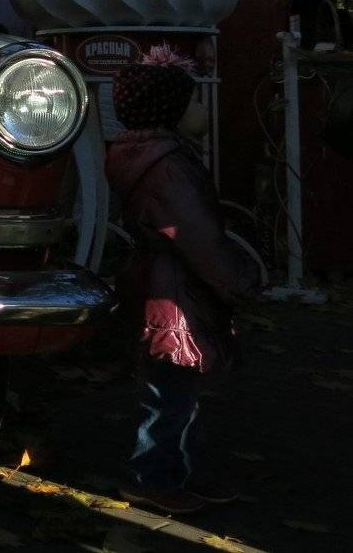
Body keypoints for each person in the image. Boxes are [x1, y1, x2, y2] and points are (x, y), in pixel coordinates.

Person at [106, 45, 262, 515]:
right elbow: (197, 236)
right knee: (169, 393)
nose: (201, 109)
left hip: (161, 284)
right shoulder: (170, 165)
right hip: (175, 293)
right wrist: (241, 279)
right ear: (169, 109)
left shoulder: (138, 154)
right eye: (192, 100)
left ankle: (187, 470)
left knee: (178, 388)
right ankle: (153, 476)